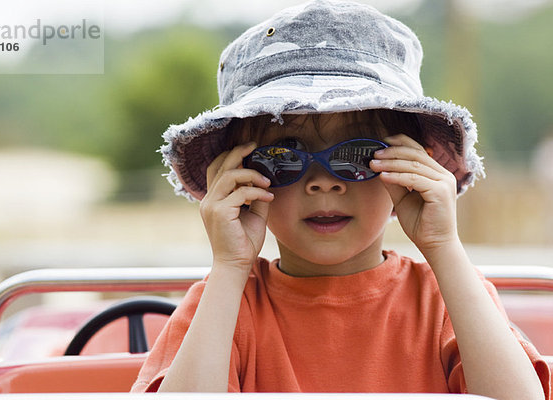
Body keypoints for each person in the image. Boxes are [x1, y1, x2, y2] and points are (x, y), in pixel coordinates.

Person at [132, 1, 551, 398]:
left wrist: (444, 247)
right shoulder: (224, 303)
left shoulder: (449, 296)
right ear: (239, 176)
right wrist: (228, 266)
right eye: (284, 157)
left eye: (357, 155)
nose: (323, 184)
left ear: (410, 169)